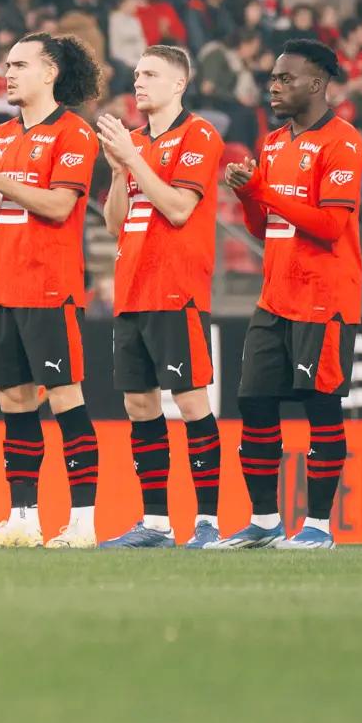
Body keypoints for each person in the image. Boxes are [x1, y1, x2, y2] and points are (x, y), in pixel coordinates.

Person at [214, 39, 362, 550]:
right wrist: (246, 192)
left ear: (318, 84)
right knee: (253, 402)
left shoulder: (343, 143)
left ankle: (319, 527)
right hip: (275, 296)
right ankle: (263, 521)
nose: (274, 87)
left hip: (325, 297)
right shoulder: (274, 142)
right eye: (273, 79)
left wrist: (262, 191)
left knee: (321, 407)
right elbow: (264, 227)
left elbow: (329, 224)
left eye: (286, 79)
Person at [0, 32, 101, 548]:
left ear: (50, 73)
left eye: (19, 65)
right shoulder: (0, 134)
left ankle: (83, 522)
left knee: (64, 397)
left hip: (49, 286)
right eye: (7, 66)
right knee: (13, 398)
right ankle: (23, 518)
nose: (8, 74)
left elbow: (60, 207)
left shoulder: (74, 133)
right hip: (4, 286)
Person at [94, 45, 226, 549]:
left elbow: (176, 208)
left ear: (179, 84)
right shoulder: (133, 142)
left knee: (191, 402)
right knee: (138, 405)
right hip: (132, 287)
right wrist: (119, 169)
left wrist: (133, 160)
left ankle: (209, 521)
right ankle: (155, 522)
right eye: (136, 74)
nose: (139, 82)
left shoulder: (199, 135)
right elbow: (113, 224)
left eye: (150, 74)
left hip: (177, 288)